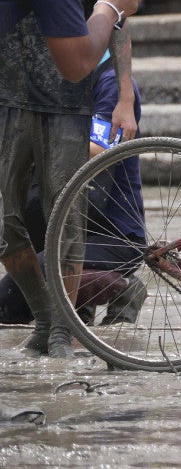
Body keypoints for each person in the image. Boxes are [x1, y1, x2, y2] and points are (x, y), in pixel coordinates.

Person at [0, 0, 145, 357]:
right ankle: (53, 326)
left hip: (53, 90)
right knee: (47, 209)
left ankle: (55, 327)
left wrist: (125, 91)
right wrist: (109, 2)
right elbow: (79, 56)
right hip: (36, 76)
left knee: (46, 209)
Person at [0, 62, 145, 328]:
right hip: (56, 231)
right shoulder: (48, 81)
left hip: (108, 235)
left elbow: (99, 148)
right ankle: (82, 305)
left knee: (11, 300)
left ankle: (124, 287)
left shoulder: (110, 83)